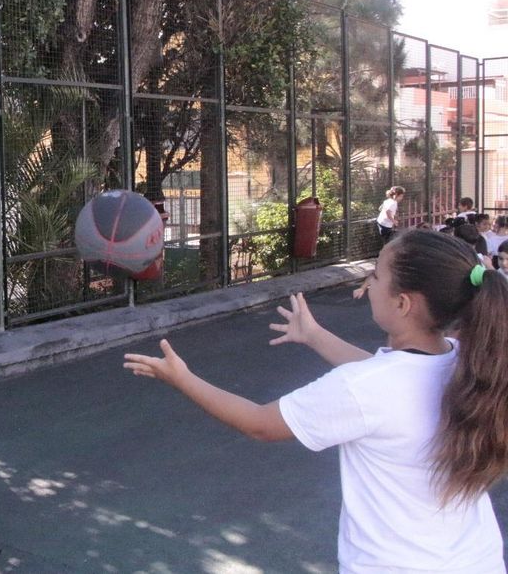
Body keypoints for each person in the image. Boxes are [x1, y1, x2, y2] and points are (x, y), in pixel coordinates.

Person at [123, 229, 508, 573]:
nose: (369, 282)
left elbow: (261, 423)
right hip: (479, 560)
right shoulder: (465, 363)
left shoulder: (369, 387)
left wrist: (181, 377)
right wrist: (315, 335)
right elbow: (387, 382)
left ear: (403, 303)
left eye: (376, 274)